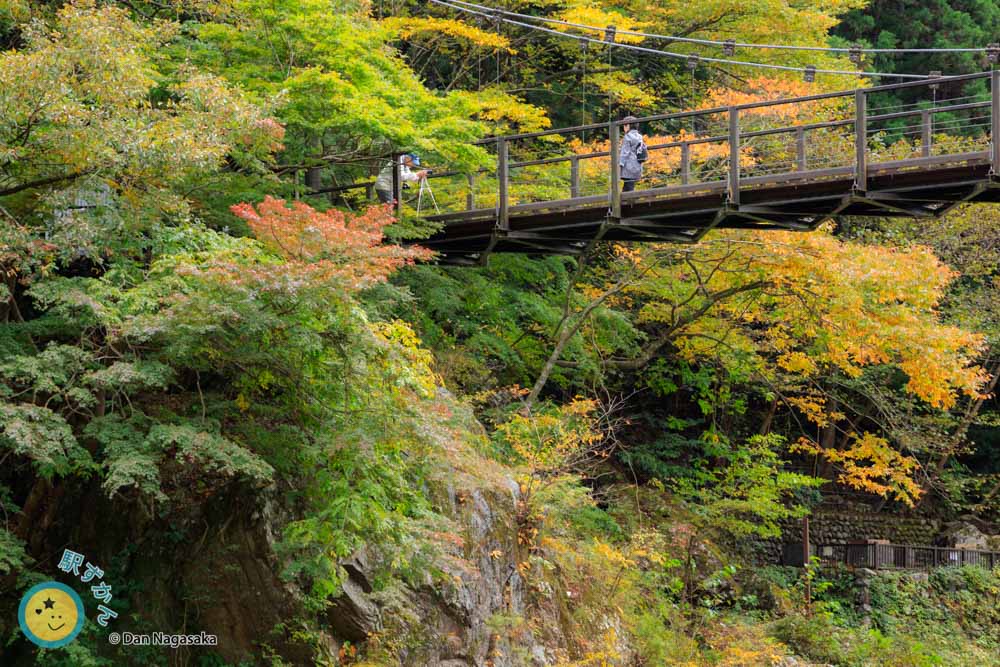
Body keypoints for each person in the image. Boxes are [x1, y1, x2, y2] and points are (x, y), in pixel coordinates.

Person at [619, 116, 647, 192]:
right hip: (638, 165)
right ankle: (627, 201)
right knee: (628, 186)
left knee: (628, 187)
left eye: (624, 125)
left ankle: (630, 201)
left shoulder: (627, 137)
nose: (624, 128)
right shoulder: (639, 136)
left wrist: (620, 164)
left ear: (628, 125)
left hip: (628, 166)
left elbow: (625, 153)